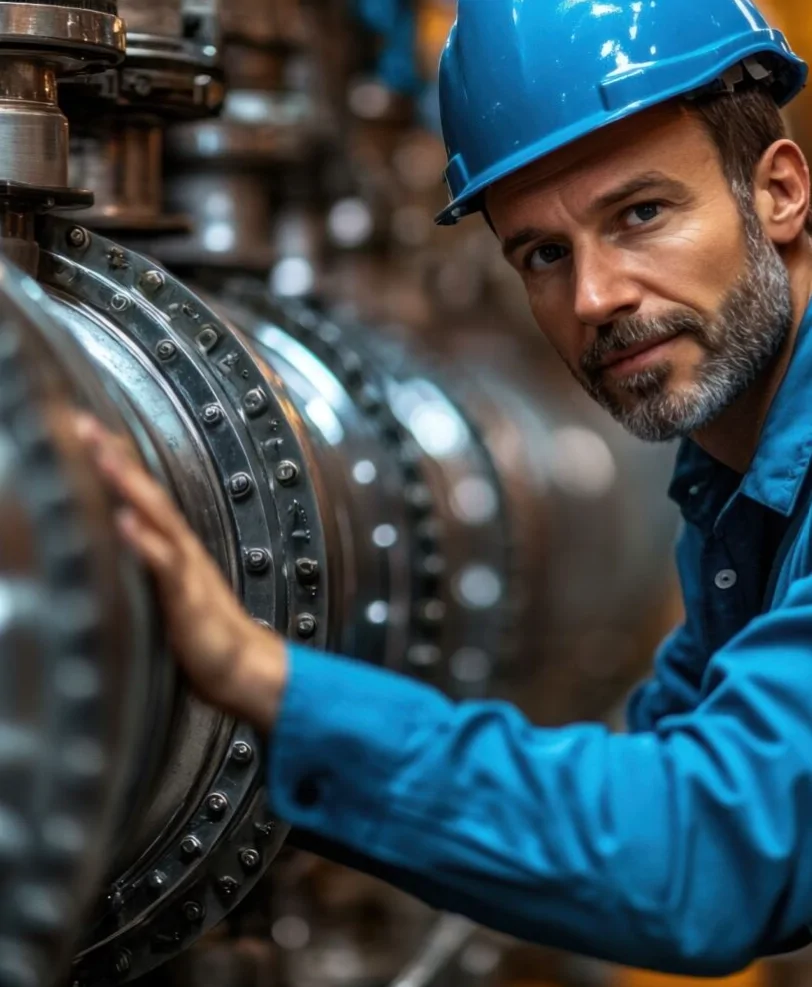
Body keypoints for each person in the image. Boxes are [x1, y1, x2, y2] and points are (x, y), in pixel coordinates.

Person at [75, 0, 812, 975]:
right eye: (542, 255)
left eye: (640, 213)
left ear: (778, 191)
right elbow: (655, 779)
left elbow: (706, 852)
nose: (595, 298)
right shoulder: (732, 484)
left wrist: (264, 683)